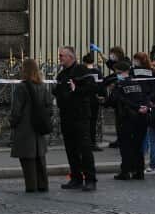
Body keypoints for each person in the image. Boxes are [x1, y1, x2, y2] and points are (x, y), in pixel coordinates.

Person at [53, 45, 98, 191]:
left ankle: (90, 179)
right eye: (60, 55)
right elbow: (59, 91)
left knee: (84, 149)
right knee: (70, 149)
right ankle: (76, 178)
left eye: (62, 55)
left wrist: (76, 90)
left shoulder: (81, 70)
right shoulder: (62, 74)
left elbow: (92, 88)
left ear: (70, 57)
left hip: (80, 115)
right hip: (66, 115)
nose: (59, 58)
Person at [9, 58, 52, 193]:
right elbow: (50, 107)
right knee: (40, 157)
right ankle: (43, 184)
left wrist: (12, 122)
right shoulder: (42, 87)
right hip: (39, 127)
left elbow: (16, 110)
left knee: (28, 159)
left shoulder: (21, 87)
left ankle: (31, 185)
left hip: (25, 127)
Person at [105, 58, 150, 180]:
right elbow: (146, 97)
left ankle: (126, 171)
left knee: (125, 146)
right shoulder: (138, 82)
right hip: (141, 117)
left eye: (116, 72)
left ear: (119, 71)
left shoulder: (119, 85)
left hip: (126, 118)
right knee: (137, 146)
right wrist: (144, 107)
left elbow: (114, 101)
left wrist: (108, 94)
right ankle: (139, 171)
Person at [102, 47, 127, 149]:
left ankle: (122, 140)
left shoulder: (124, 63)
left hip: (123, 98)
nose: (111, 56)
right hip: (118, 99)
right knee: (119, 120)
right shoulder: (116, 63)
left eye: (112, 54)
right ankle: (120, 139)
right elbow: (108, 63)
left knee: (122, 121)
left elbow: (117, 76)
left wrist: (110, 81)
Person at [81, 51, 104, 152]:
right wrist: (102, 96)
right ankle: (92, 143)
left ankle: (84, 143)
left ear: (84, 62)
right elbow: (101, 86)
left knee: (84, 122)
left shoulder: (82, 72)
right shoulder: (97, 72)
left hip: (84, 99)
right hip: (95, 99)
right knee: (93, 122)